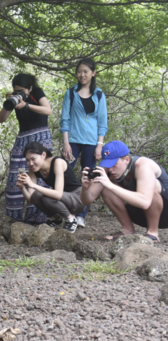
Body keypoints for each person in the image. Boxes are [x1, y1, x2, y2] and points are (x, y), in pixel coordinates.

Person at [81, 141, 168, 243]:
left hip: (163, 213)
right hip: (140, 214)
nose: (110, 169)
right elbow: (87, 200)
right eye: (108, 165)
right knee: (104, 187)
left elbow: (145, 202)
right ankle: (128, 230)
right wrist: (85, 188)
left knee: (152, 186)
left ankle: (153, 233)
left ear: (126, 159)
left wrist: (111, 185)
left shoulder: (143, 165)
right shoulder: (107, 169)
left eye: (114, 164)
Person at [0, 73, 53, 223]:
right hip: (23, 138)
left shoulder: (37, 92)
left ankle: (38, 218)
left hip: (41, 137)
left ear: (30, 88)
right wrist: (10, 101)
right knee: (17, 176)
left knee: (40, 177)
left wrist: (27, 105)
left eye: (22, 90)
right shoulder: (15, 99)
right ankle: (14, 217)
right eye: (17, 90)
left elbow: (48, 110)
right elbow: (1, 119)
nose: (20, 93)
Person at [60, 58, 108, 229]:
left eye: (85, 71)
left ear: (93, 73)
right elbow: (64, 120)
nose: (82, 74)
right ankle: (64, 211)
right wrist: (66, 143)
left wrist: (99, 145)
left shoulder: (99, 95)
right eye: (79, 71)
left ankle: (81, 215)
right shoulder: (71, 93)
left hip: (91, 143)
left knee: (89, 178)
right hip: (72, 141)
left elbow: (102, 123)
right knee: (64, 172)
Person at [16, 142, 85, 233]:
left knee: (48, 196)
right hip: (62, 200)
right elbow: (31, 199)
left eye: (33, 159)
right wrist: (22, 188)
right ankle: (55, 219)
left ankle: (71, 219)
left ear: (43, 155)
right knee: (37, 195)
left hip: (78, 199)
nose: (30, 163)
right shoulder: (33, 169)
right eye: (28, 160)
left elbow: (58, 194)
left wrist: (33, 185)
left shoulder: (57, 162)